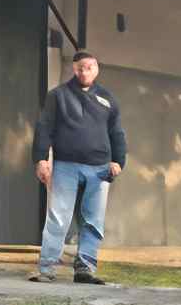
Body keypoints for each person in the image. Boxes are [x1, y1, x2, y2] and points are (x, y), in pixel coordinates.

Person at [31, 50, 125, 285]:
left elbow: (116, 132)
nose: (85, 72)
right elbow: (44, 127)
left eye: (90, 67)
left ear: (96, 69)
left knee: (93, 220)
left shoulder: (108, 99)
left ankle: (85, 268)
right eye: (80, 68)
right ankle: (48, 268)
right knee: (58, 217)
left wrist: (118, 161)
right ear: (74, 69)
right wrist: (41, 159)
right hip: (66, 166)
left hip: (100, 167)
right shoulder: (58, 96)